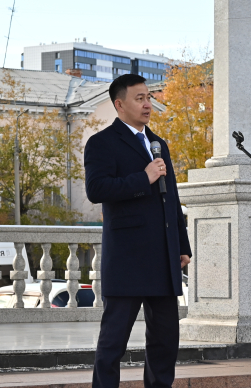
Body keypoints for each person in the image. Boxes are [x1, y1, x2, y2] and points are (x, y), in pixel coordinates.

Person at [84, 74, 192, 388]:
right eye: (139, 98)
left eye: (148, 97)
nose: (147, 104)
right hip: (127, 259)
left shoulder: (159, 144)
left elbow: (171, 198)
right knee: (113, 343)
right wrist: (142, 178)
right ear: (119, 104)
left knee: (165, 342)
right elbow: (96, 189)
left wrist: (181, 245)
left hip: (163, 259)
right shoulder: (101, 143)